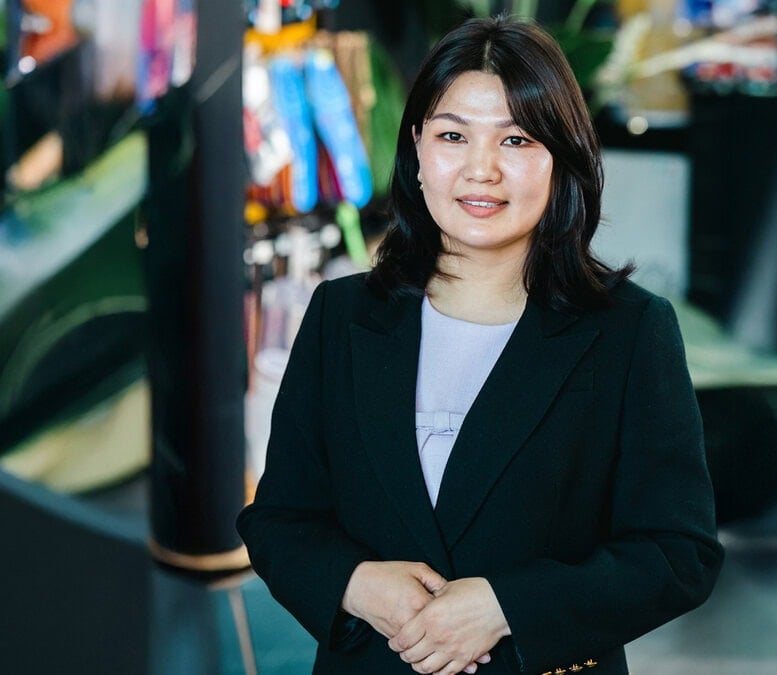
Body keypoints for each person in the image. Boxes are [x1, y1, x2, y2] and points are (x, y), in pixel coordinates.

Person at [237, 15, 723, 675]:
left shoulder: (628, 330)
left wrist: (507, 605)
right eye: (452, 135)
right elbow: (280, 521)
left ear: (562, 156)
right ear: (416, 148)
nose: (481, 169)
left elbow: (678, 552)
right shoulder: (342, 316)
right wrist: (358, 584)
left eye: (517, 138)